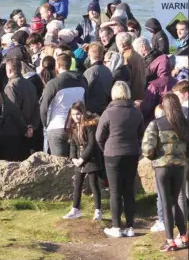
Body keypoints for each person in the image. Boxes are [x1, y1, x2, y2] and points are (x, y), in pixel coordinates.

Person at [96, 81, 144, 238]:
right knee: (129, 190)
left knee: (115, 191)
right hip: (131, 153)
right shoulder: (136, 112)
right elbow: (140, 134)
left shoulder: (108, 112)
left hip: (112, 153)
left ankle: (116, 226)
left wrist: (106, 149)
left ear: (113, 94)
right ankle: (130, 226)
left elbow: (99, 136)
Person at [141, 94, 189, 251]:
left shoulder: (156, 124)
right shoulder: (185, 124)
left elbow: (147, 149)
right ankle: (184, 236)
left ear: (165, 105)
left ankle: (170, 241)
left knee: (167, 203)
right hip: (180, 167)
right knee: (176, 202)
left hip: (162, 168)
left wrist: (155, 157)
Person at [62, 102, 103, 221]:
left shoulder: (90, 126)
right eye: (74, 114)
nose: (76, 117)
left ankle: (98, 210)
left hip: (91, 159)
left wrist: (82, 158)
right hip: (79, 160)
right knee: (77, 184)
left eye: (78, 114)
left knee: (94, 184)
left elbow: (91, 145)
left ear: (83, 113)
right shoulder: (74, 126)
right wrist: (73, 157)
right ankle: (75, 209)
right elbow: (73, 144)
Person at [39, 54, 87, 156]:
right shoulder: (82, 81)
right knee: (75, 162)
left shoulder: (53, 83)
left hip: (56, 126)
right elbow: (85, 102)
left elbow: (43, 108)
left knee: (59, 164)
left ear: (58, 65)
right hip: (75, 125)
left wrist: (45, 125)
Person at [4, 58, 39, 160]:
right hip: (29, 130)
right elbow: (37, 107)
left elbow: (14, 110)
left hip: (14, 131)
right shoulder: (31, 84)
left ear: (9, 70)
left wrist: (25, 128)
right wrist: (32, 126)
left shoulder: (11, 86)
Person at [140, 46, 177, 124]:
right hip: (174, 120)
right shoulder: (177, 82)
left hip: (155, 121)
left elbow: (146, 108)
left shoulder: (154, 85)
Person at [84, 42, 114, 115]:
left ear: (89, 54)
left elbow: (84, 90)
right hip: (104, 108)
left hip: (91, 110)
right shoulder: (108, 70)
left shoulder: (90, 71)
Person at [116, 32, 146, 101]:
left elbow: (126, 79)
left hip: (131, 96)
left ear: (121, 44)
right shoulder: (137, 55)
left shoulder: (125, 58)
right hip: (141, 94)